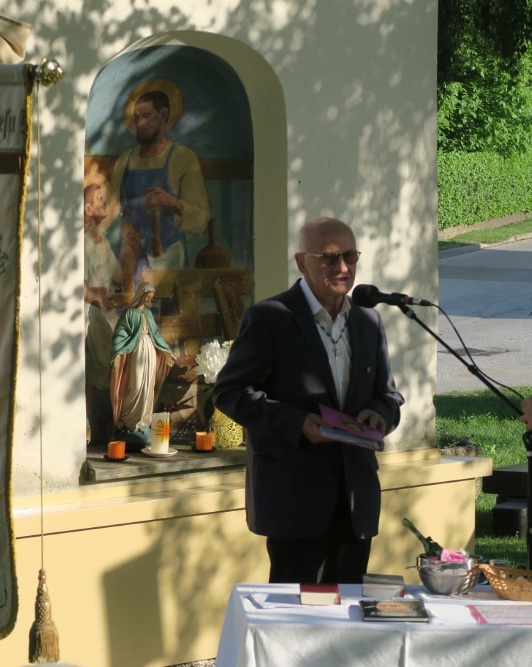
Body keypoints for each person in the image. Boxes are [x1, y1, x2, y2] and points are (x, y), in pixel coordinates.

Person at [213, 217, 404, 585]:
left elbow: (389, 394)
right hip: (293, 499)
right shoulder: (270, 318)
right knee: (296, 611)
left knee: (349, 608)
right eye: (329, 258)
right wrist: (297, 422)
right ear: (302, 262)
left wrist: (380, 414)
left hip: (355, 500)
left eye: (350, 256)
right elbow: (230, 392)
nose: (343, 268)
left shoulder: (368, 320)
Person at [110, 89, 211, 290]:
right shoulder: (124, 161)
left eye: (146, 115)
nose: (140, 123)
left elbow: (201, 218)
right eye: (136, 117)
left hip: (168, 258)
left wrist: (171, 203)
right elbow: (111, 213)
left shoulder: (183, 158)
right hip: (130, 258)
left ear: (163, 115)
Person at [109, 282, 176, 448]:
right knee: (136, 384)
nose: (148, 300)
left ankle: (142, 423)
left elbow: (156, 334)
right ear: (140, 295)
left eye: (151, 297)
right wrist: (117, 353)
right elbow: (120, 333)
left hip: (150, 351)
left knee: (147, 386)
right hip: (137, 350)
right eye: (147, 296)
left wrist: (167, 351)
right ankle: (127, 421)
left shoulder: (148, 313)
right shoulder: (129, 313)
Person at [83, 183, 121, 446]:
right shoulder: (82, 242)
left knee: (128, 339)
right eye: (98, 199)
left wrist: (133, 253)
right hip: (91, 311)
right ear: (87, 209)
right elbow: (81, 286)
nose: (104, 202)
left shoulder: (104, 242)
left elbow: (117, 276)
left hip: (108, 311)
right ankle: (90, 422)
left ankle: (119, 420)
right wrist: (97, 299)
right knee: (101, 341)